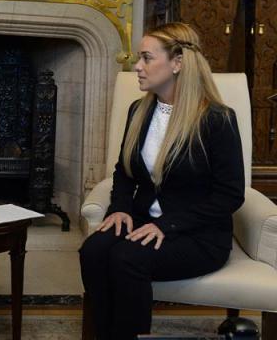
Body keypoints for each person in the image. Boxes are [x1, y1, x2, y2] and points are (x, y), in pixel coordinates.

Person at [79, 22, 245, 340]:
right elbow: (125, 172)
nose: (137, 68)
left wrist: (166, 226)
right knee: (94, 250)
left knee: (126, 258)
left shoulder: (217, 120)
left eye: (146, 58)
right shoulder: (138, 111)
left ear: (177, 62)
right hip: (143, 221)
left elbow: (229, 195)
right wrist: (120, 208)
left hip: (197, 235)